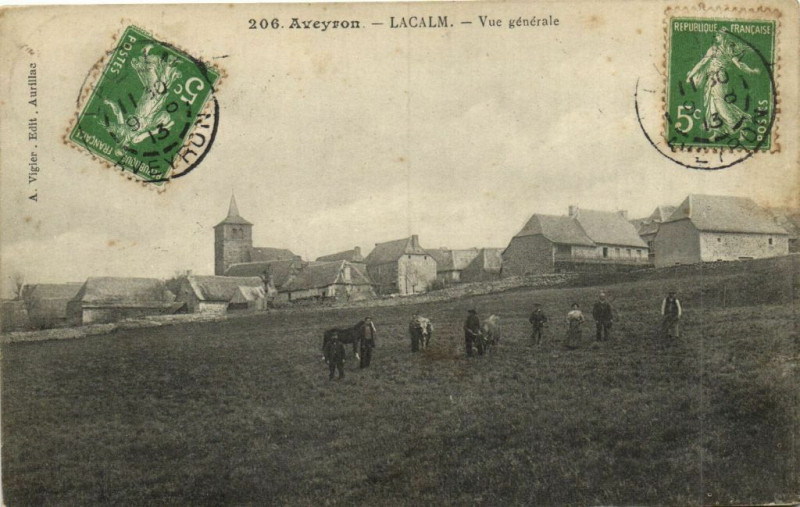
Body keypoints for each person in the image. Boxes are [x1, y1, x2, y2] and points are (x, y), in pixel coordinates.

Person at [686, 28, 761, 142]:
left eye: (718, 36)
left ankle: (741, 126)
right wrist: (691, 74)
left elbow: (739, 64)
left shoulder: (728, 49)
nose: (716, 38)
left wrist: (751, 71)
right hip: (711, 78)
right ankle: (718, 131)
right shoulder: (713, 49)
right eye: (716, 36)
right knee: (712, 105)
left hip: (719, 79)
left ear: (723, 37)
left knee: (720, 104)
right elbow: (702, 62)